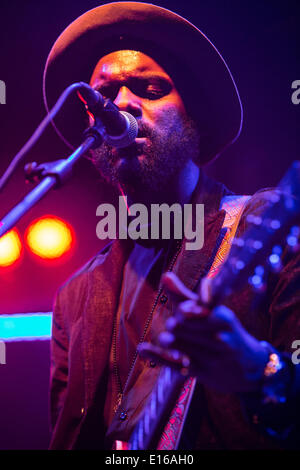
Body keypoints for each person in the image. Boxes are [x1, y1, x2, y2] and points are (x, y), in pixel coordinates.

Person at [43, 2, 300, 450]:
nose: (121, 104)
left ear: (193, 119)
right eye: (103, 96)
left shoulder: (260, 226)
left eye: (149, 88)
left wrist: (261, 370)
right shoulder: (75, 296)